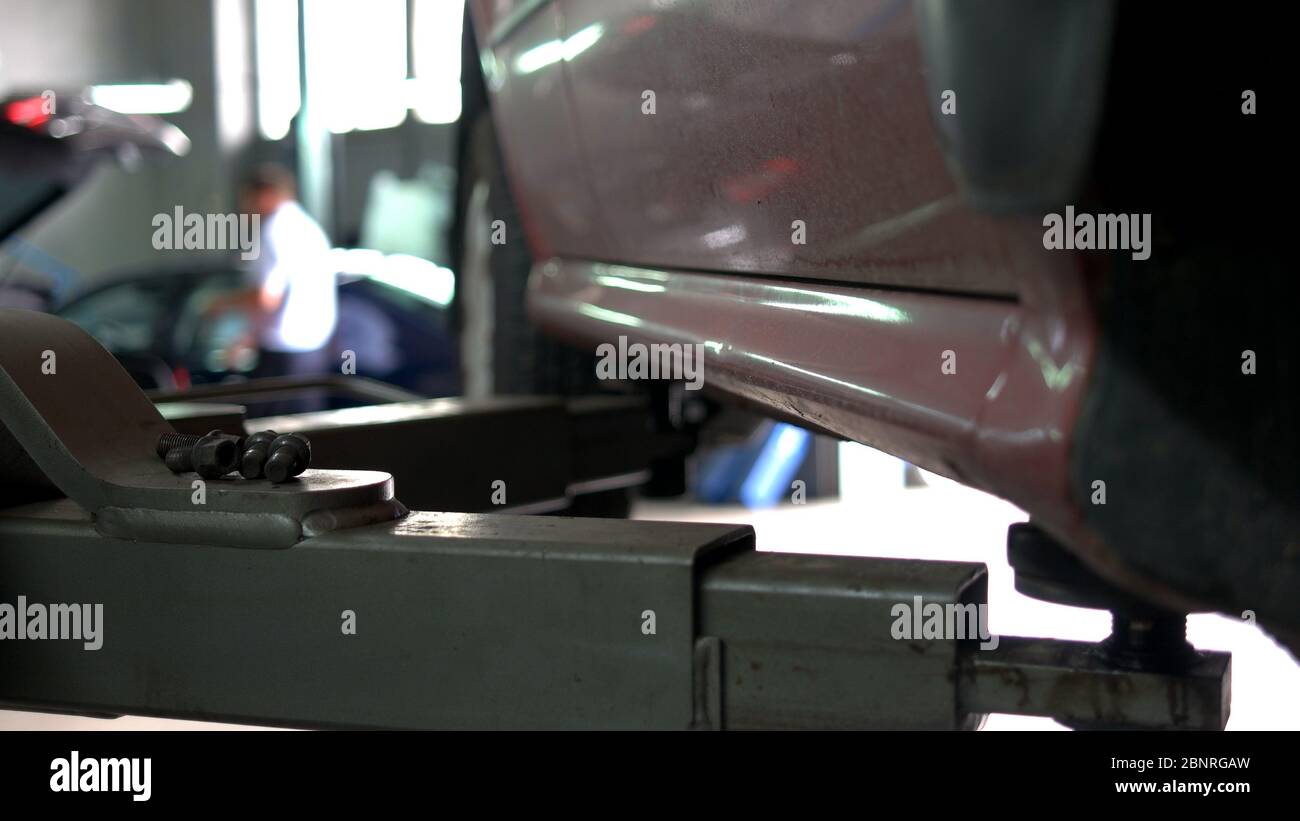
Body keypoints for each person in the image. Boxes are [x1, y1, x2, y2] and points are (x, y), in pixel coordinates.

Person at [237, 164, 336, 384]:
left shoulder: (274, 230)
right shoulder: (309, 228)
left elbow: (267, 298)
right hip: (313, 351)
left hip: (283, 356)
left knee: (275, 419)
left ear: (266, 194)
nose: (245, 207)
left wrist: (216, 305)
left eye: (248, 199)